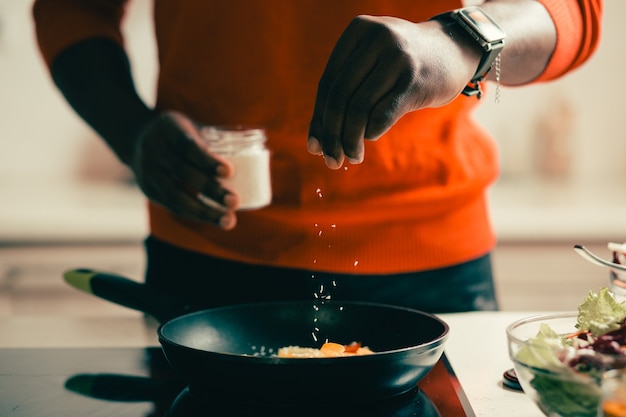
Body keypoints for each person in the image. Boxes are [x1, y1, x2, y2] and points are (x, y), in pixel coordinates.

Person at [32, 1, 602, 314]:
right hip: (204, 250)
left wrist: (465, 37)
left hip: (430, 270)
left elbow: (577, 10)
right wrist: (130, 131)